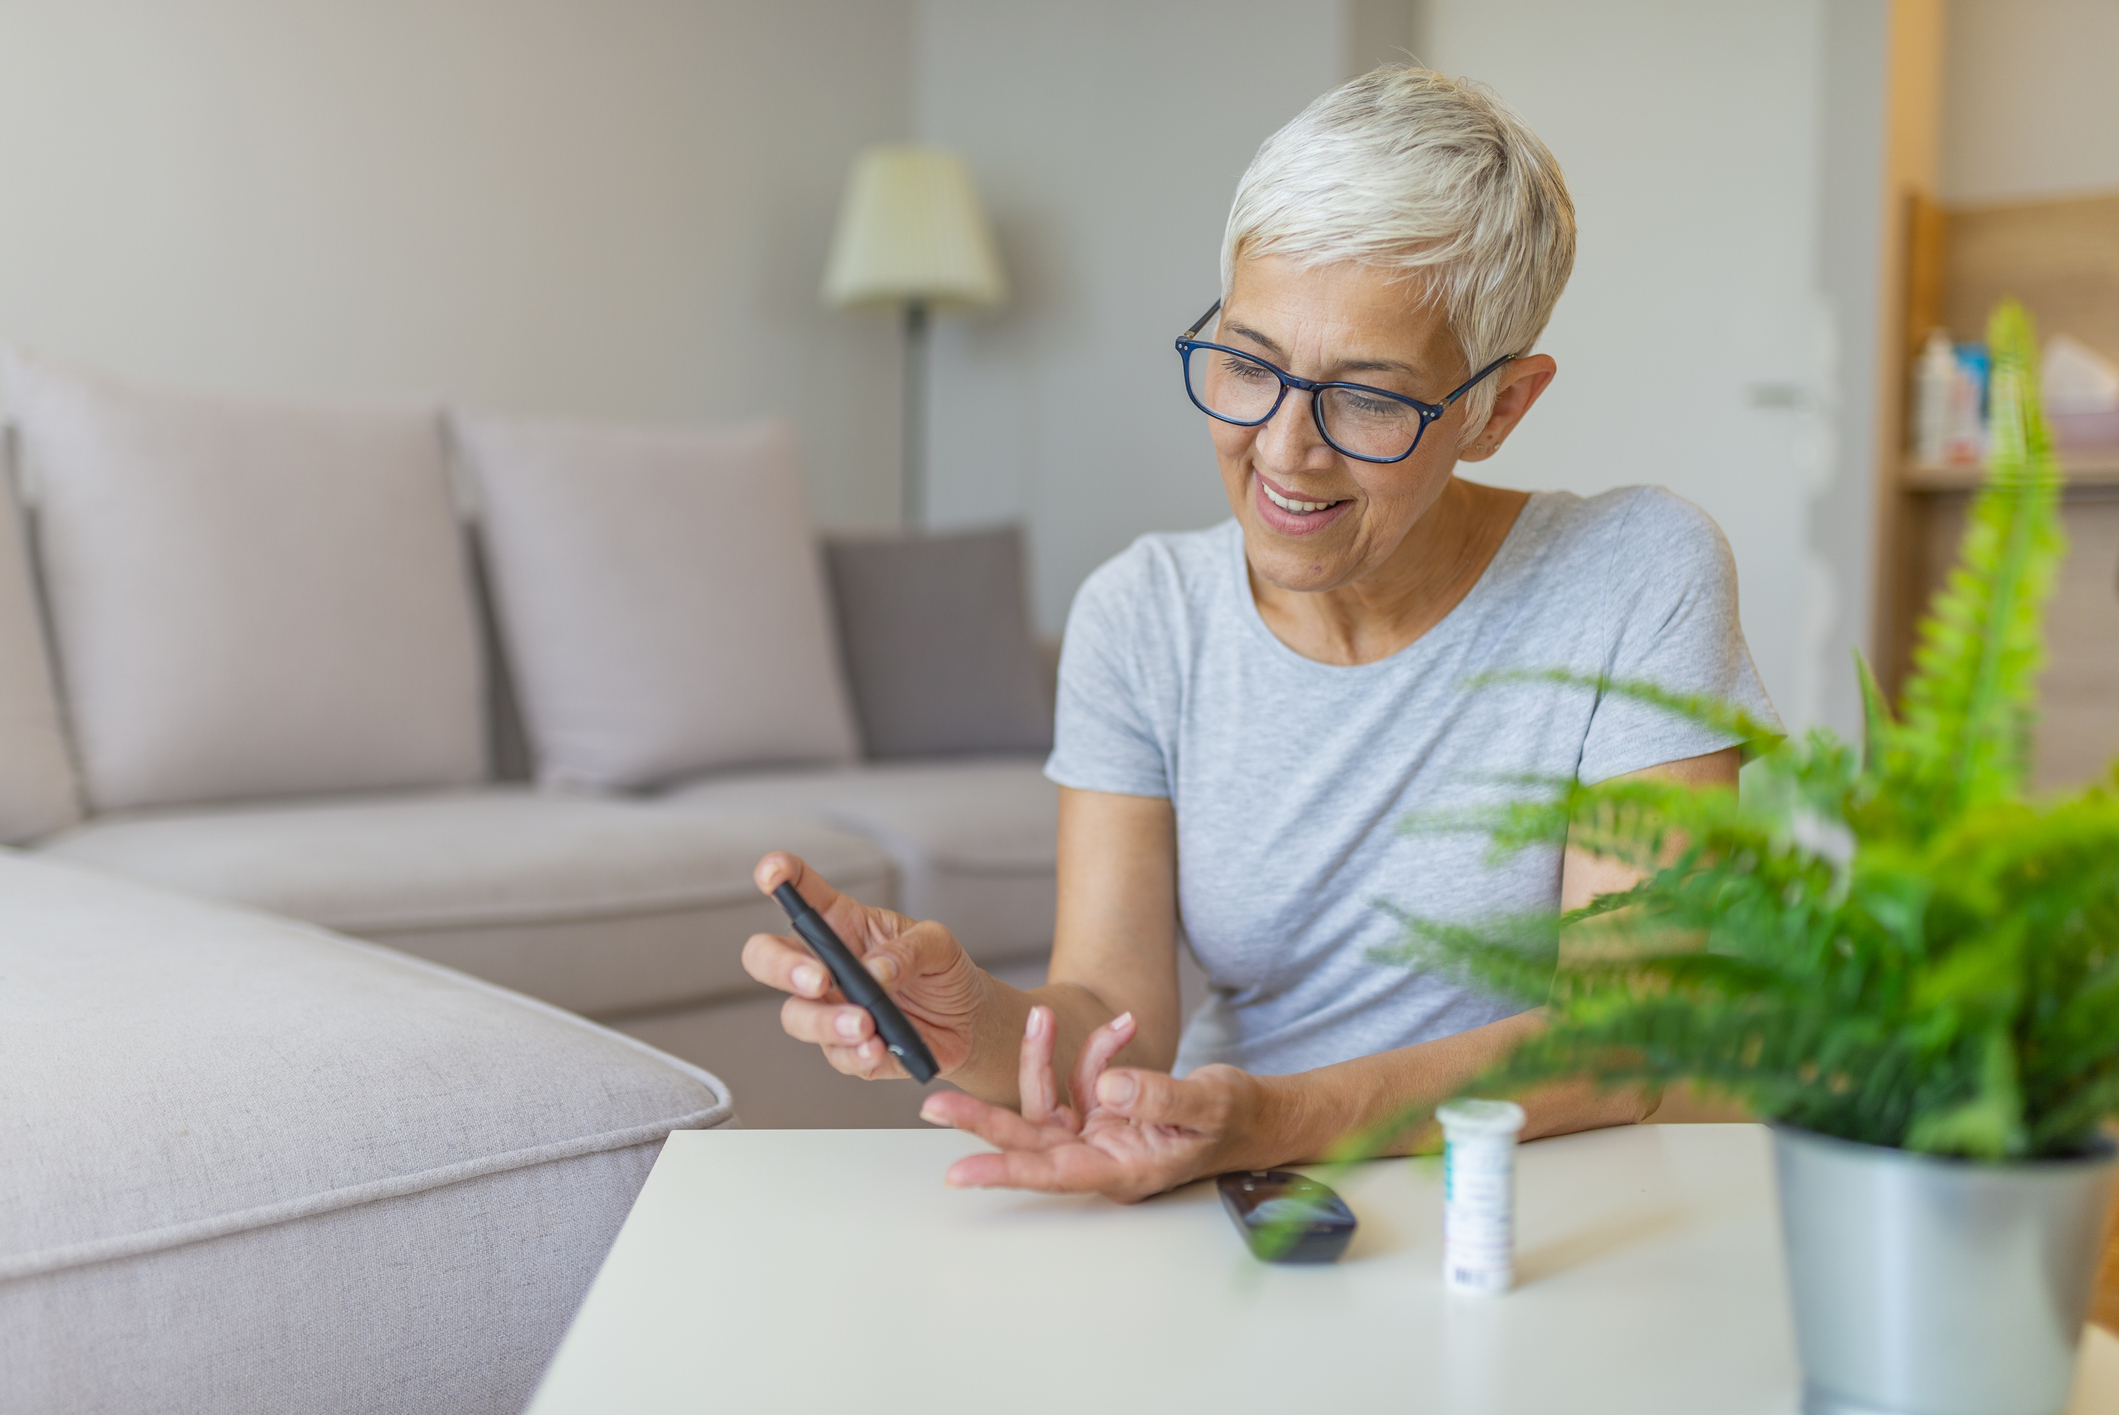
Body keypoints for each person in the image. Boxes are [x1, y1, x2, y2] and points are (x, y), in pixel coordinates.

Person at [742, 66, 1777, 1202]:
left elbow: (1626, 1041)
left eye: (1368, 397)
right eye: (1247, 362)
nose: (1284, 450)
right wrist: (969, 1018)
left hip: (1540, 1205)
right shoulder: (1143, 615)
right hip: (1252, 1202)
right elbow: (1110, 1028)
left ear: (1497, 407)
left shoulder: (1634, 574)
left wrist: (1273, 1116)